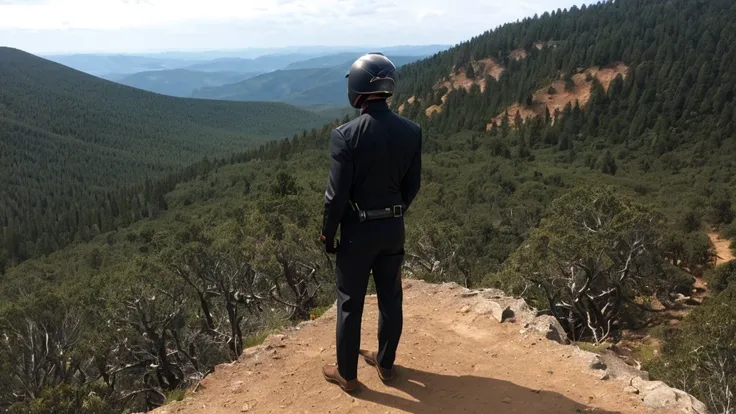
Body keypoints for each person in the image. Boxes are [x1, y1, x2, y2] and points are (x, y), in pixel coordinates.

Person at [319, 52, 422, 392]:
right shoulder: (412, 131)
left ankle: (347, 375)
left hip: (357, 233)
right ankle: (386, 363)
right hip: (393, 229)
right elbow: (412, 186)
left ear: (358, 90)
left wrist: (327, 234)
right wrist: (393, 212)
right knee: (391, 297)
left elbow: (335, 196)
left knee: (351, 302)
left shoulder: (346, 135)